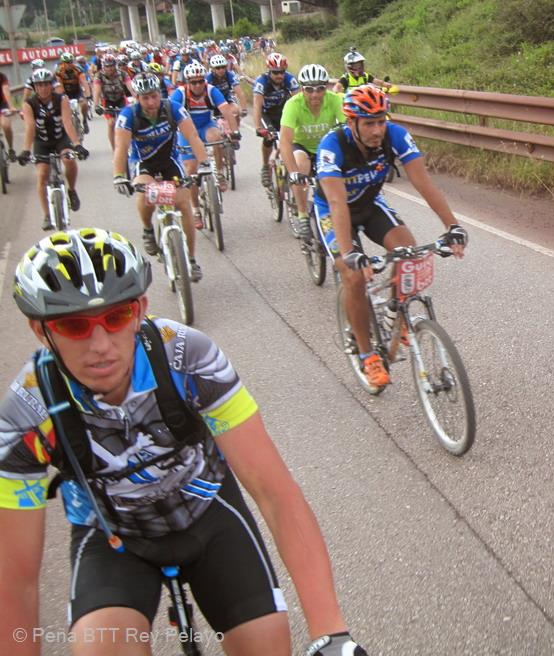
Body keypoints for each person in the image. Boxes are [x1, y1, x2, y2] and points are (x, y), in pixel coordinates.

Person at [0, 228, 368, 656]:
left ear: (139, 310)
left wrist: (330, 633)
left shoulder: (188, 356)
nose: (100, 345)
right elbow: (16, 577)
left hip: (208, 513)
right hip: (113, 537)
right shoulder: (25, 414)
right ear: (41, 331)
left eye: (116, 317)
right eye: (74, 325)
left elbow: (276, 493)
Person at [316, 84, 467, 387]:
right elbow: (336, 203)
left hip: (370, 204)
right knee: (353, 276)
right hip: (334, 210)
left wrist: (453, 226)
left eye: (381, 121)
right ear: (352, 123)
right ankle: (367, 355)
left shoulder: (395, 136)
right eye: (369, 123)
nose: (377, 130)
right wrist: (350, 253)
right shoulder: (332, 146)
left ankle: (396, 313)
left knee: (408, 250)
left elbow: (424, 183)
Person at [114, 73, 212, 282]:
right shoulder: (128, 115)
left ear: (160, 94)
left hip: (170, 161)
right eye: (145, 98)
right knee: (145, 193)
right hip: (144, 164)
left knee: (184, 205)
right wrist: (119, 176)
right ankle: (148, 229)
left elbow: (193, 137)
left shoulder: (173, 108)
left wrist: (204, 163)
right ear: (137, 98)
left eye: (154, 96)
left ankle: (191, 259)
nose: (151, 102)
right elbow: (121, 148)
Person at [279, 64, 345, 239]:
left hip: (326, 146)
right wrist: (293, 173)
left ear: (326, 87)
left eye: (320, 89)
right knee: (301, 165)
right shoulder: (292, 105)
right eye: (309, 89)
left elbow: (348, 129)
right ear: (302, 89)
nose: (315, 94)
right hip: (301, 145)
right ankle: (302, 215)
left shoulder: (335, 100)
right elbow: (285, 142)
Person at [169, 62, 237, 229]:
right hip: (187, 131)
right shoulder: (180, 94)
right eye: (194, 82)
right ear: (187, 82)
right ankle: (196, 210)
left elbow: (226, 110)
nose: (198, 85)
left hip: (206, 125)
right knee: (191, 170)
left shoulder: (211, 90)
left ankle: (219, 173)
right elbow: (169, 115)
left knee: (217, 137)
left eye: (201, 81)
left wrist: (234, 131)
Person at [18, 68, 88, 229]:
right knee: (42, 174)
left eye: (46, 84)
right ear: (35, 87)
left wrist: (77, 144)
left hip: (60, 139)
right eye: (39, 85)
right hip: (41, 141)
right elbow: (30, 127)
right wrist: (26, 150)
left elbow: (67, 122)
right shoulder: (29, 104)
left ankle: (72, 190)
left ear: (51, 85)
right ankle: (47, 215)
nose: (43, 88)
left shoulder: (61, 99)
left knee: (69, 160)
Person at [252, 52, 299, 187]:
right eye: (275, 72)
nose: (279, 75)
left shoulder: (290, 79)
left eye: (282, 72)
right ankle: (265, 166)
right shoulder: (261, 82)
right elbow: (257, 106)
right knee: (269, 138)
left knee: (292, 138)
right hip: (267, 114)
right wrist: (258, 127)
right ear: (269, 71)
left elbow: (299, 101)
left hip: (284, 113)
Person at [93, 55, 132, 151]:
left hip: (121, 99)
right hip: (108, 100)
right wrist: (96, 105)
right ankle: (115, 149)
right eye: (107, 66)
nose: (110, 68)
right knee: (111, 123)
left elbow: (131, 87)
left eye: (112, 66)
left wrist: (138, 98)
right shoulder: (99, 75)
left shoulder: (123, 73)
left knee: (127, 120)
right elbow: (97, 90)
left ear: (115, 65)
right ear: (103, 66)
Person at [206, 53, 247, 129]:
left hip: (226, 100)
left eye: (223, 67)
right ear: (213, 69)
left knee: (236, 110)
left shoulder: (230, 74)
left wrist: (244, 109)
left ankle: (236, 130)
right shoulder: (208, 78)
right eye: (218, 68)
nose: (221, 70)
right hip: (212, 103)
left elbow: (239, 92)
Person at [54, 52, 91, 134]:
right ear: (63, 63)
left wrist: (88, 95)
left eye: (71, 62)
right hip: (65, 91)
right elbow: (59, 86)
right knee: (64, 110)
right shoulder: (59, 71)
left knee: (84, 104)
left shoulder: (78, 69)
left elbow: (84, 82)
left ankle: (84, 121)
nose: (69, 64)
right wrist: (62, 97)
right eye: (67, 62)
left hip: (77, 91)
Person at [0, 70, 15, 155]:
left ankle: (10, 148)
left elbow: (6, 91)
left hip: (2, 105)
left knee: (6, 125)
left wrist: (11, 106)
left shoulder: (2, 76)